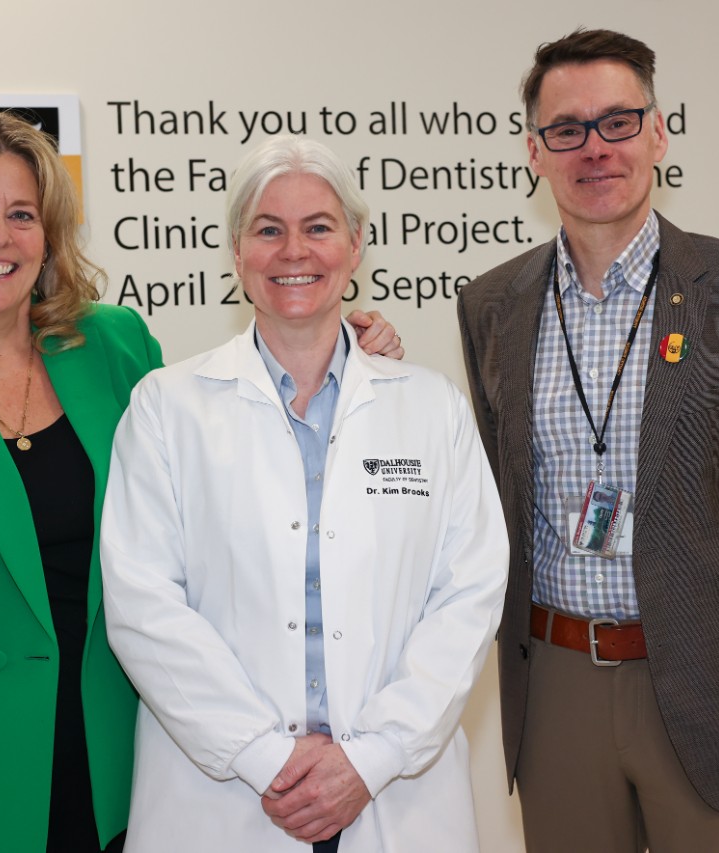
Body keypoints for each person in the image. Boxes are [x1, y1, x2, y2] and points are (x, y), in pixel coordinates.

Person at [0, 114, 402, 853]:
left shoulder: (113, 346)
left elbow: (225, 443)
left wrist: (341, 354)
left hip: (108, 754)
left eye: (21, 215)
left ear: (47, 237)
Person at [457, 29, 719, 853]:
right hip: (553, 679)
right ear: (534, 151)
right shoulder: (491, 304)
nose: (595, 148)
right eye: (568, 130)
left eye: (618, 122)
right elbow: (496, 487)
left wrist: (703, 584)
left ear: (658, 133)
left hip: (710, 674)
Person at [100, 135, 509, 853]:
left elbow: (468, 596)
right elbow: (143, 605)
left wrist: (372, 756)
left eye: (319, 227)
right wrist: (264, 757)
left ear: (356, 245)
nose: (295, 251)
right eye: (268, 229)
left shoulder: (430, 407)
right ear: (237, 252)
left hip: (394, 795)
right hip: (222, 795)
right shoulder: (166, 407)